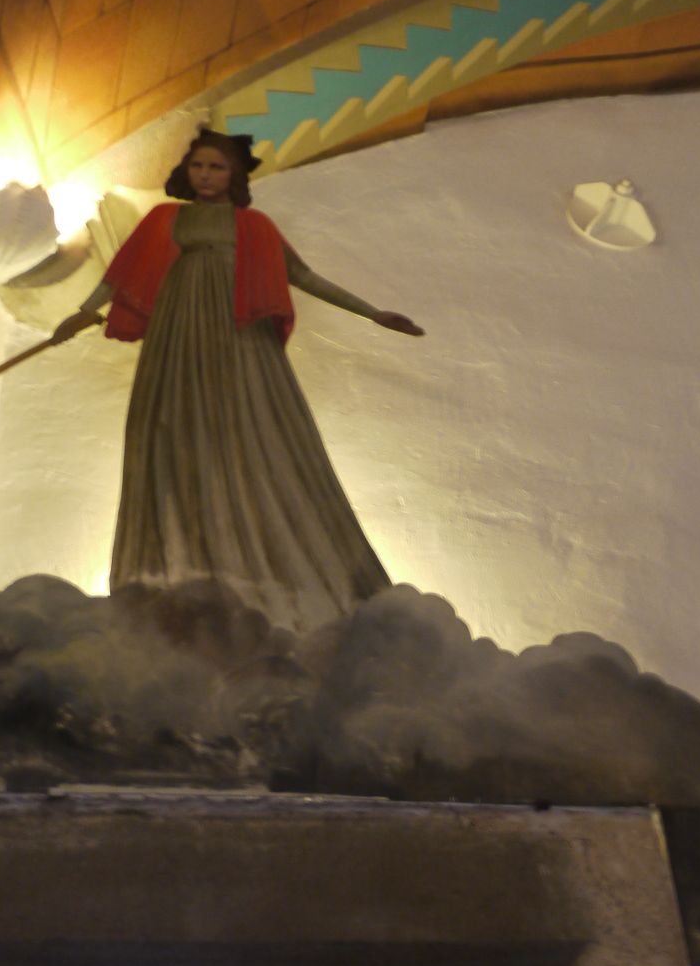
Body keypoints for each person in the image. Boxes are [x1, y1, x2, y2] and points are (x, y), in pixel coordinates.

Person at [52, 130, 424, 630]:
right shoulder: (166, 218)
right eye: (199, 166)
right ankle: (179, 564)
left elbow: (304, 277)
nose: (205, 175)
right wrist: (82, 312)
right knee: (172, 433)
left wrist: (373, 313)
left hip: (239, 337)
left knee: (249, 429)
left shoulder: (254, 226)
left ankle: (254, 564)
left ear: (234, 176)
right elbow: (120, 275)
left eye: (217, 167)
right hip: (177, 336)